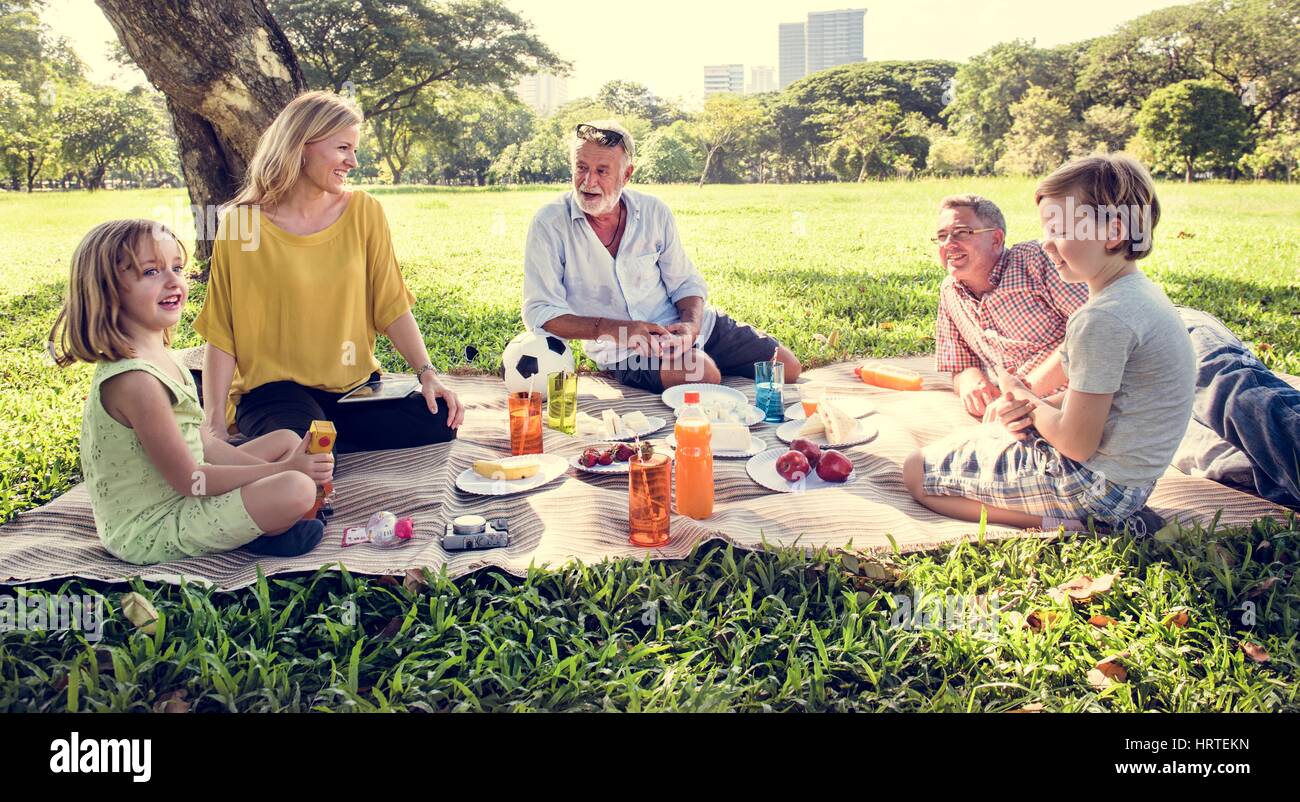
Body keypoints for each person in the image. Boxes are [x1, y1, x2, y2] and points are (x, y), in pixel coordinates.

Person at [905, 155, 1194, 534]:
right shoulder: (1139, 295)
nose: (1047, 243)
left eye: (1058, 229)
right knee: (979, 439)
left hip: (1093, 488)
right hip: (1133, 483)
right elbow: (1113, 398)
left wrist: (1025, 397)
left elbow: (1076, 444)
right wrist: (1032, 407)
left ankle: (1078, 525)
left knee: (914, 470)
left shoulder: (1101, 319)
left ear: (1113, 233)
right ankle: (1088, 516)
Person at [49, 220, 334, 565]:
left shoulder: (164, 360)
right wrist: (284, 473)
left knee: (288, 439)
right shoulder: (136, 382)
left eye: (177, 268)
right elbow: (191, 480)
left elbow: (208, 446)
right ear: (107, 291)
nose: (173, 281)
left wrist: (288, 464)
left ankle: (273, 516)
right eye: (151, 272)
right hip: (153, 528)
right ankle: (267, 532)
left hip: (185, 495)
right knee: (296, 488)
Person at [195, 90, 464, 453]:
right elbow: (221, 333)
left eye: (354, 150)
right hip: (275, 391)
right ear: (301, 145)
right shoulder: (242, 225)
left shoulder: (364, 211)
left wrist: (428, 374)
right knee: (310, 454)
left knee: (439, 419)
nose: (352, 161)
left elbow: (391, 306)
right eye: (342, 148)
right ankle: (290, 445)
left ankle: (289, 444)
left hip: (352, 389)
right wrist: (213, 423)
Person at [522, 119, 800, 393]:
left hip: (689, 328)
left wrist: (691, 326)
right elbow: (541, 311)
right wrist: (617, 329)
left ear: (626, 175)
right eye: (581, 168)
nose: (588, 181)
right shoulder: (549, 223)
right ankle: (697, 369)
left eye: (602, 171)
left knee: (785, 367)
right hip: (622, 347)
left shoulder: (654, 212)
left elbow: (685, 283)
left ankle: (700, 363)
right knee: (701, 372)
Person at [931, 194, 1088, 418]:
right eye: (942, 236)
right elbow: (959, 363)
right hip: (1016, 408)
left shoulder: (1036, 261)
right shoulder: (950, 291)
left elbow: (1093, 331)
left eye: (962, 233)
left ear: (996, 239)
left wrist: (1021, 393)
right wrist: (970, 382)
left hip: (1083, 400)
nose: (948, 244)